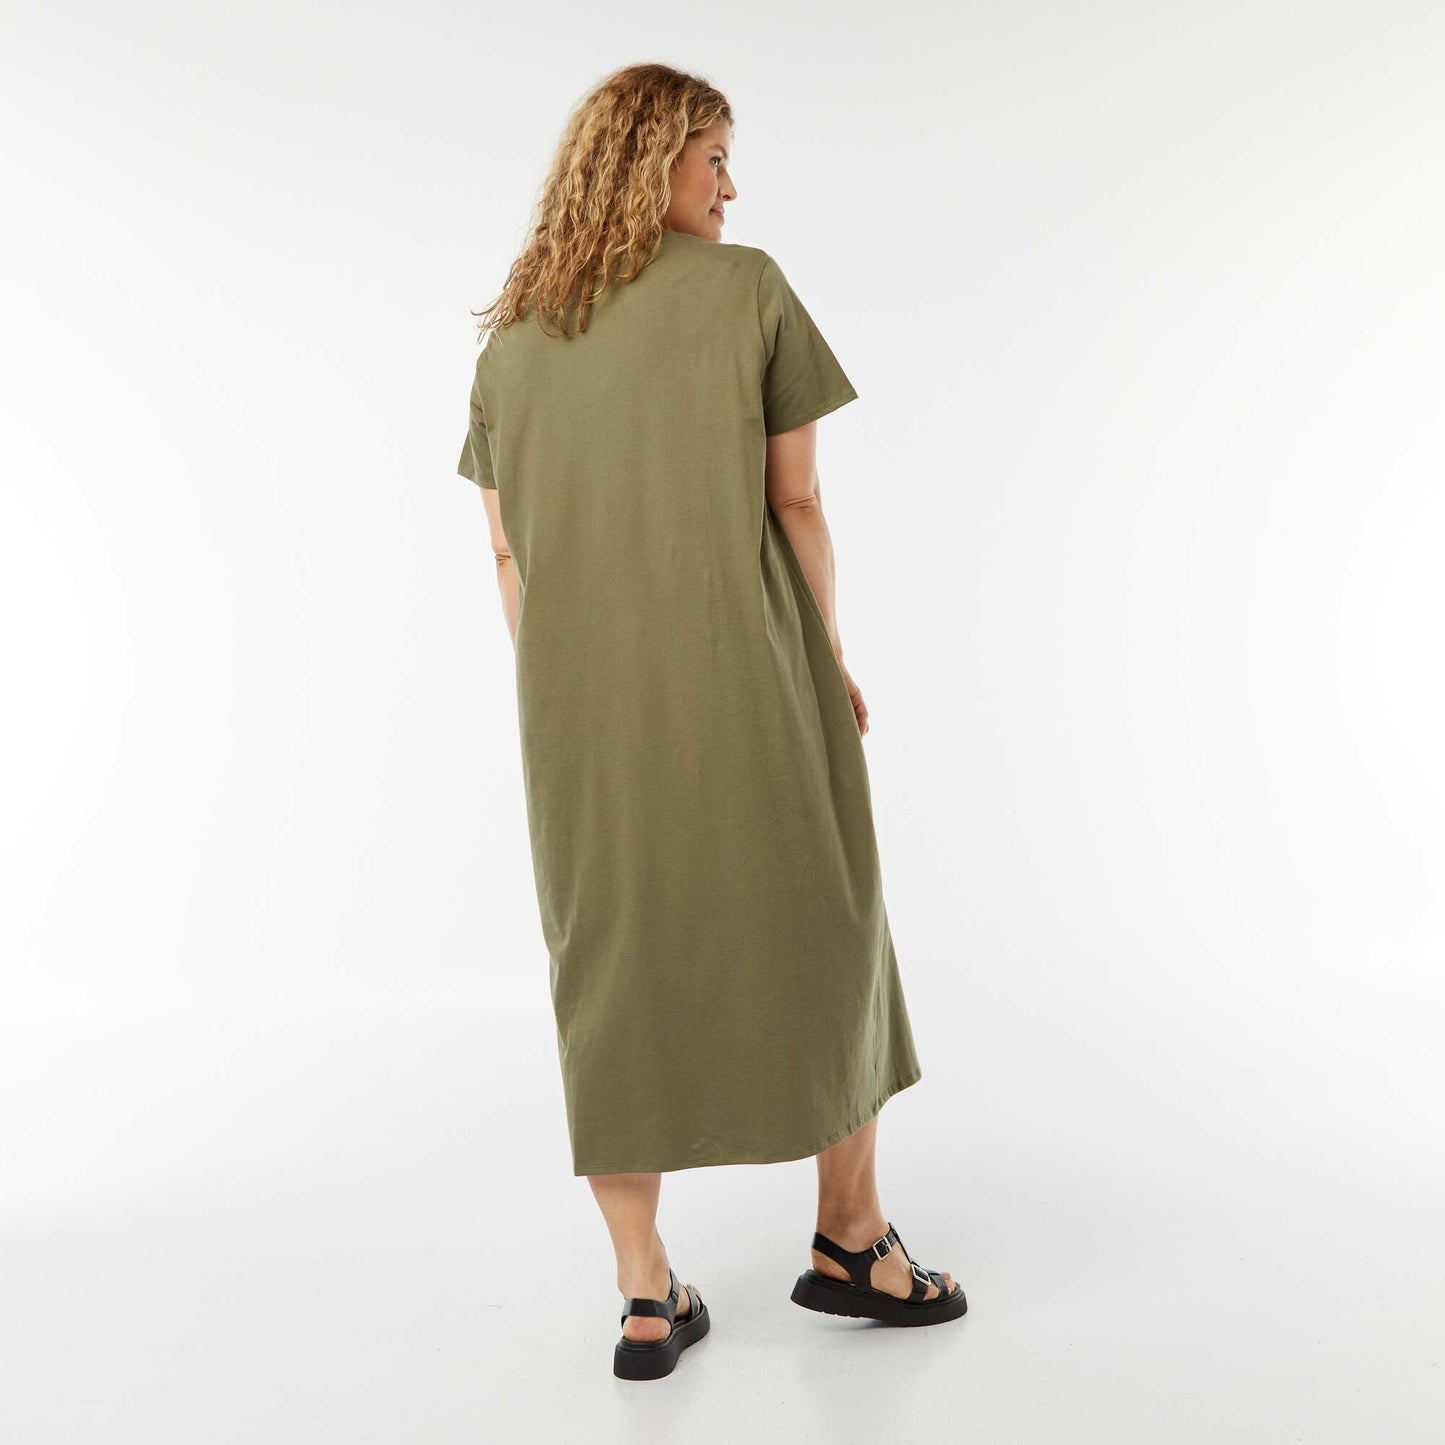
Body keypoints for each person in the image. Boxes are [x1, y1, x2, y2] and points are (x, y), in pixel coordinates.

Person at [454, 62, 966, 1378]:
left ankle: (642, 1290)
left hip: (578, 712)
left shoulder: (515, 341)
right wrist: (826, 656)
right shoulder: (747, 292)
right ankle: (850, 1236)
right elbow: (796, 503)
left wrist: (573, 684)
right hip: (753, 675)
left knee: (612, 966)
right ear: (653, 162)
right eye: (714, 157)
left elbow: (508, 554)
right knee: (828, 926)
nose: (730, 188)